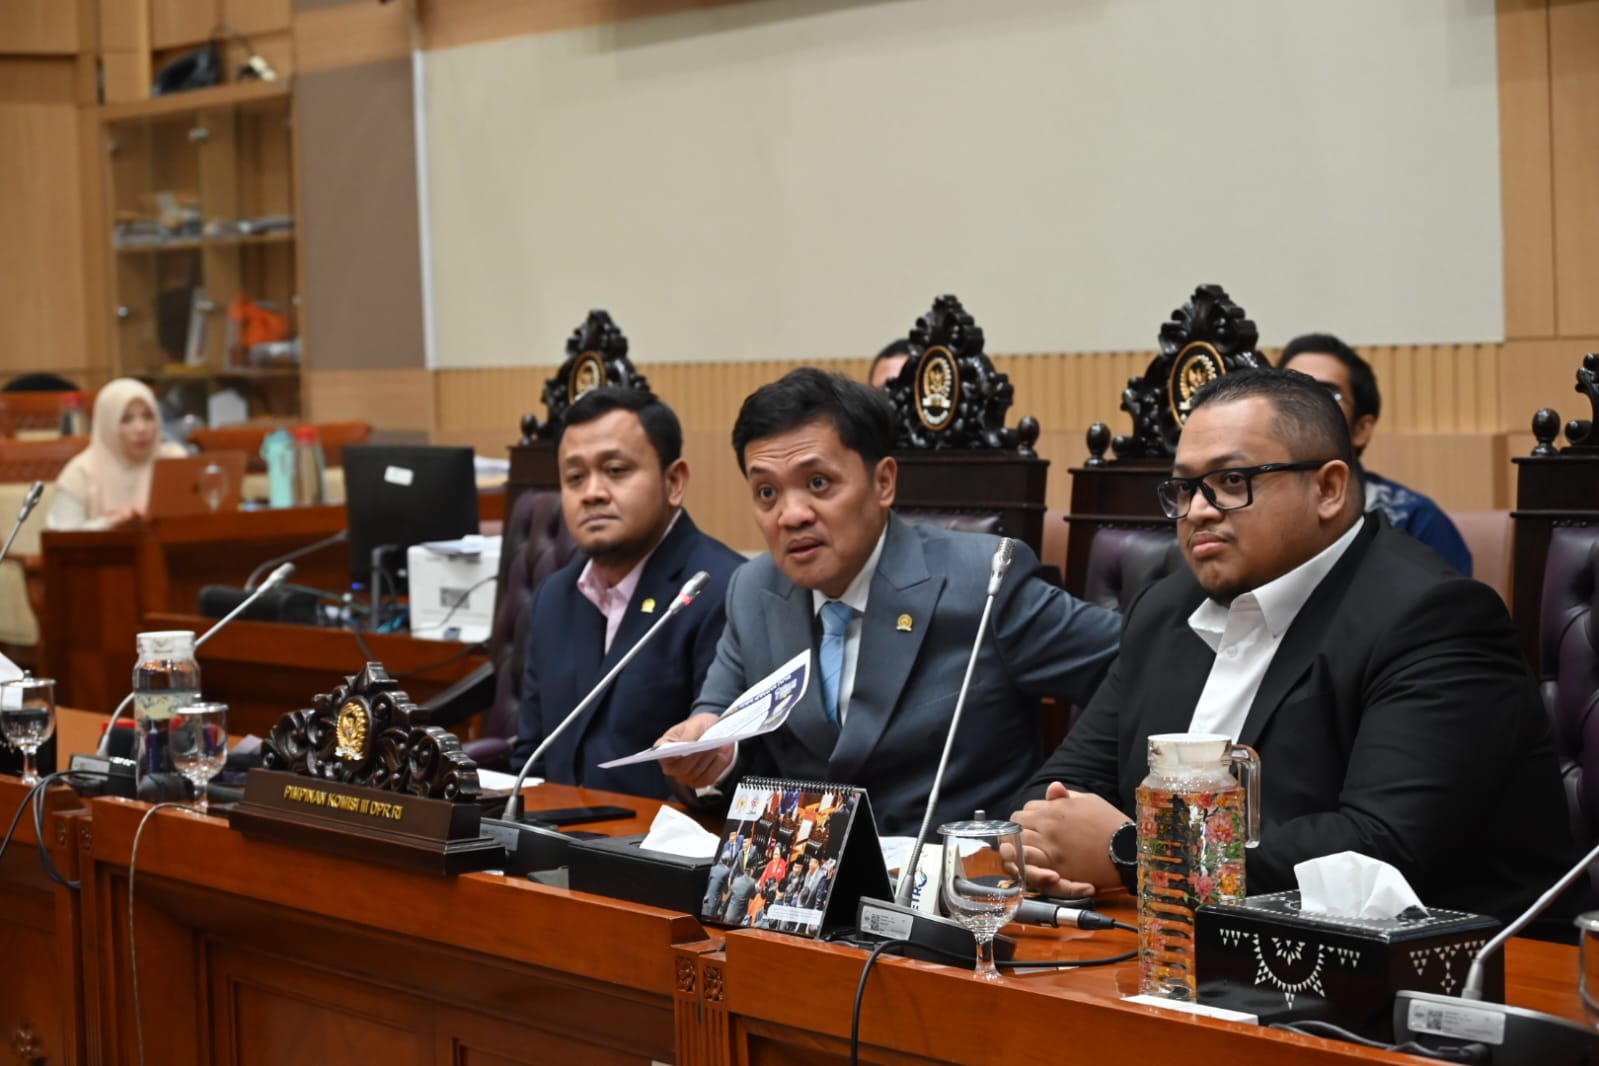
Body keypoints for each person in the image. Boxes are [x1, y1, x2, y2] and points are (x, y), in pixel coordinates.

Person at [1010, 368, 1572, 923]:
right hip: (1179, 949)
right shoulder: (1166, 607)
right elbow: (1062, 788)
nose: (1199, 510)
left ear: (1328, 488)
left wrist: (1140, 852)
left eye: (1232, 481)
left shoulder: (1435, 618)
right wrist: (1048, 847)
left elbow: (1380, 848)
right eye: (1183, 489)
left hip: (1433, 981)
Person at [656, 368, 1122, 833]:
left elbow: (1139, 670)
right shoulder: (753, 589)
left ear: (883, 483)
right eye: (766, 492)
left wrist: (1055, 794)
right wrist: (708, 759)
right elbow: (717, 726)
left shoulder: (984, 581)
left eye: (818, 483)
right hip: (811, 887)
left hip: (959, 890)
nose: (791, 515)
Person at [510, 387, 745, 797]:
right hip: (553, 841)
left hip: (661, 848)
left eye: (616, 470)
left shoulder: (724, 591)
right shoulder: (555, 596)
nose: (592, 493)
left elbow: (726, 773)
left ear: (674, 482)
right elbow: (532, 754)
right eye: (575, 477)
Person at [1279, 333, 1472, 575]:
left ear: (1361, 429)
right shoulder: (1246, 511)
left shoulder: (1414, 520)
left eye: (1327, 393)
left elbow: (1452, 609)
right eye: (1290, 390)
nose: (1303, 404)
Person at [47, 378, 186, 531]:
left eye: (148, 417)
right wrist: (108, 524)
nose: (141, 428)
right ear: (107, 424)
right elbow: (60, 538)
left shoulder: (174, 459)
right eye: (126, 419)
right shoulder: (79, 472)